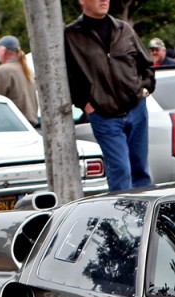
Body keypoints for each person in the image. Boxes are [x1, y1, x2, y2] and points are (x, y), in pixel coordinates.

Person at [65, 0, 155, 191]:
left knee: (141, 170)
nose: (103, 0)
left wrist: (145, 89)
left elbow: (145, 63)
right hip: (104, 114)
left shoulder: (124, 29)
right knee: (121, 171)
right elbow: (69, 76)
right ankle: (123, 218)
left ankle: (145, 217)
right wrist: (86, 104)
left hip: (136, 107)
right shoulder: (71, 35)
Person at [0, 36, 38, 122]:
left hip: (10, 125)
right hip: (29, 124)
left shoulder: (4, 71)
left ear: (3, 50)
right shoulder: (25, 69)